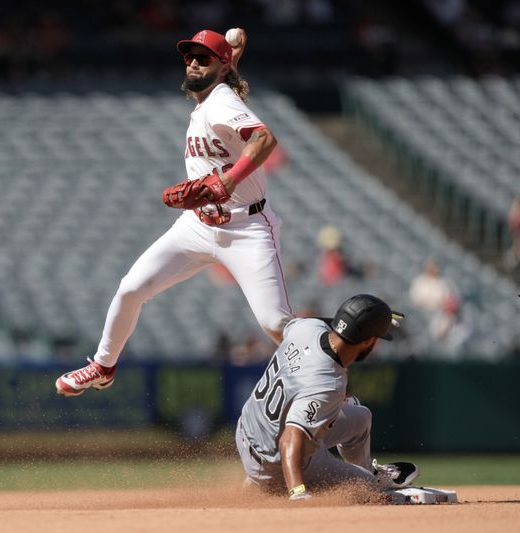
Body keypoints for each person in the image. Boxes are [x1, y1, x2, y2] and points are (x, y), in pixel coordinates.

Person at [56, 29, 292, 396]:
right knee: (131, 288)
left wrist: (229, 180)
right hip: (197, 226)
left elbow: (264, 139)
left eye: (204, 58)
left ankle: (335, 386)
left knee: (276, 324)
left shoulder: (220, 102)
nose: (193, 63)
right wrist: (229, 63)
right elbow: (223, 92)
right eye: (190, 58)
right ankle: (102, 366)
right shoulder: (214, 98)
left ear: (221, 64)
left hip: (246, 228)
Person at [235, 294, 418, 499]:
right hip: (276, 461)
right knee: (363, 487)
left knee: (361, 417)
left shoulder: (307, 327)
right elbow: (290, 438)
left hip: (247, 434)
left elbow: (341, 324)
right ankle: (268, 484)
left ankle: (365, 470)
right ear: (368, 342)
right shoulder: (327, 383)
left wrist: (375, 318)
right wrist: (297, 491)